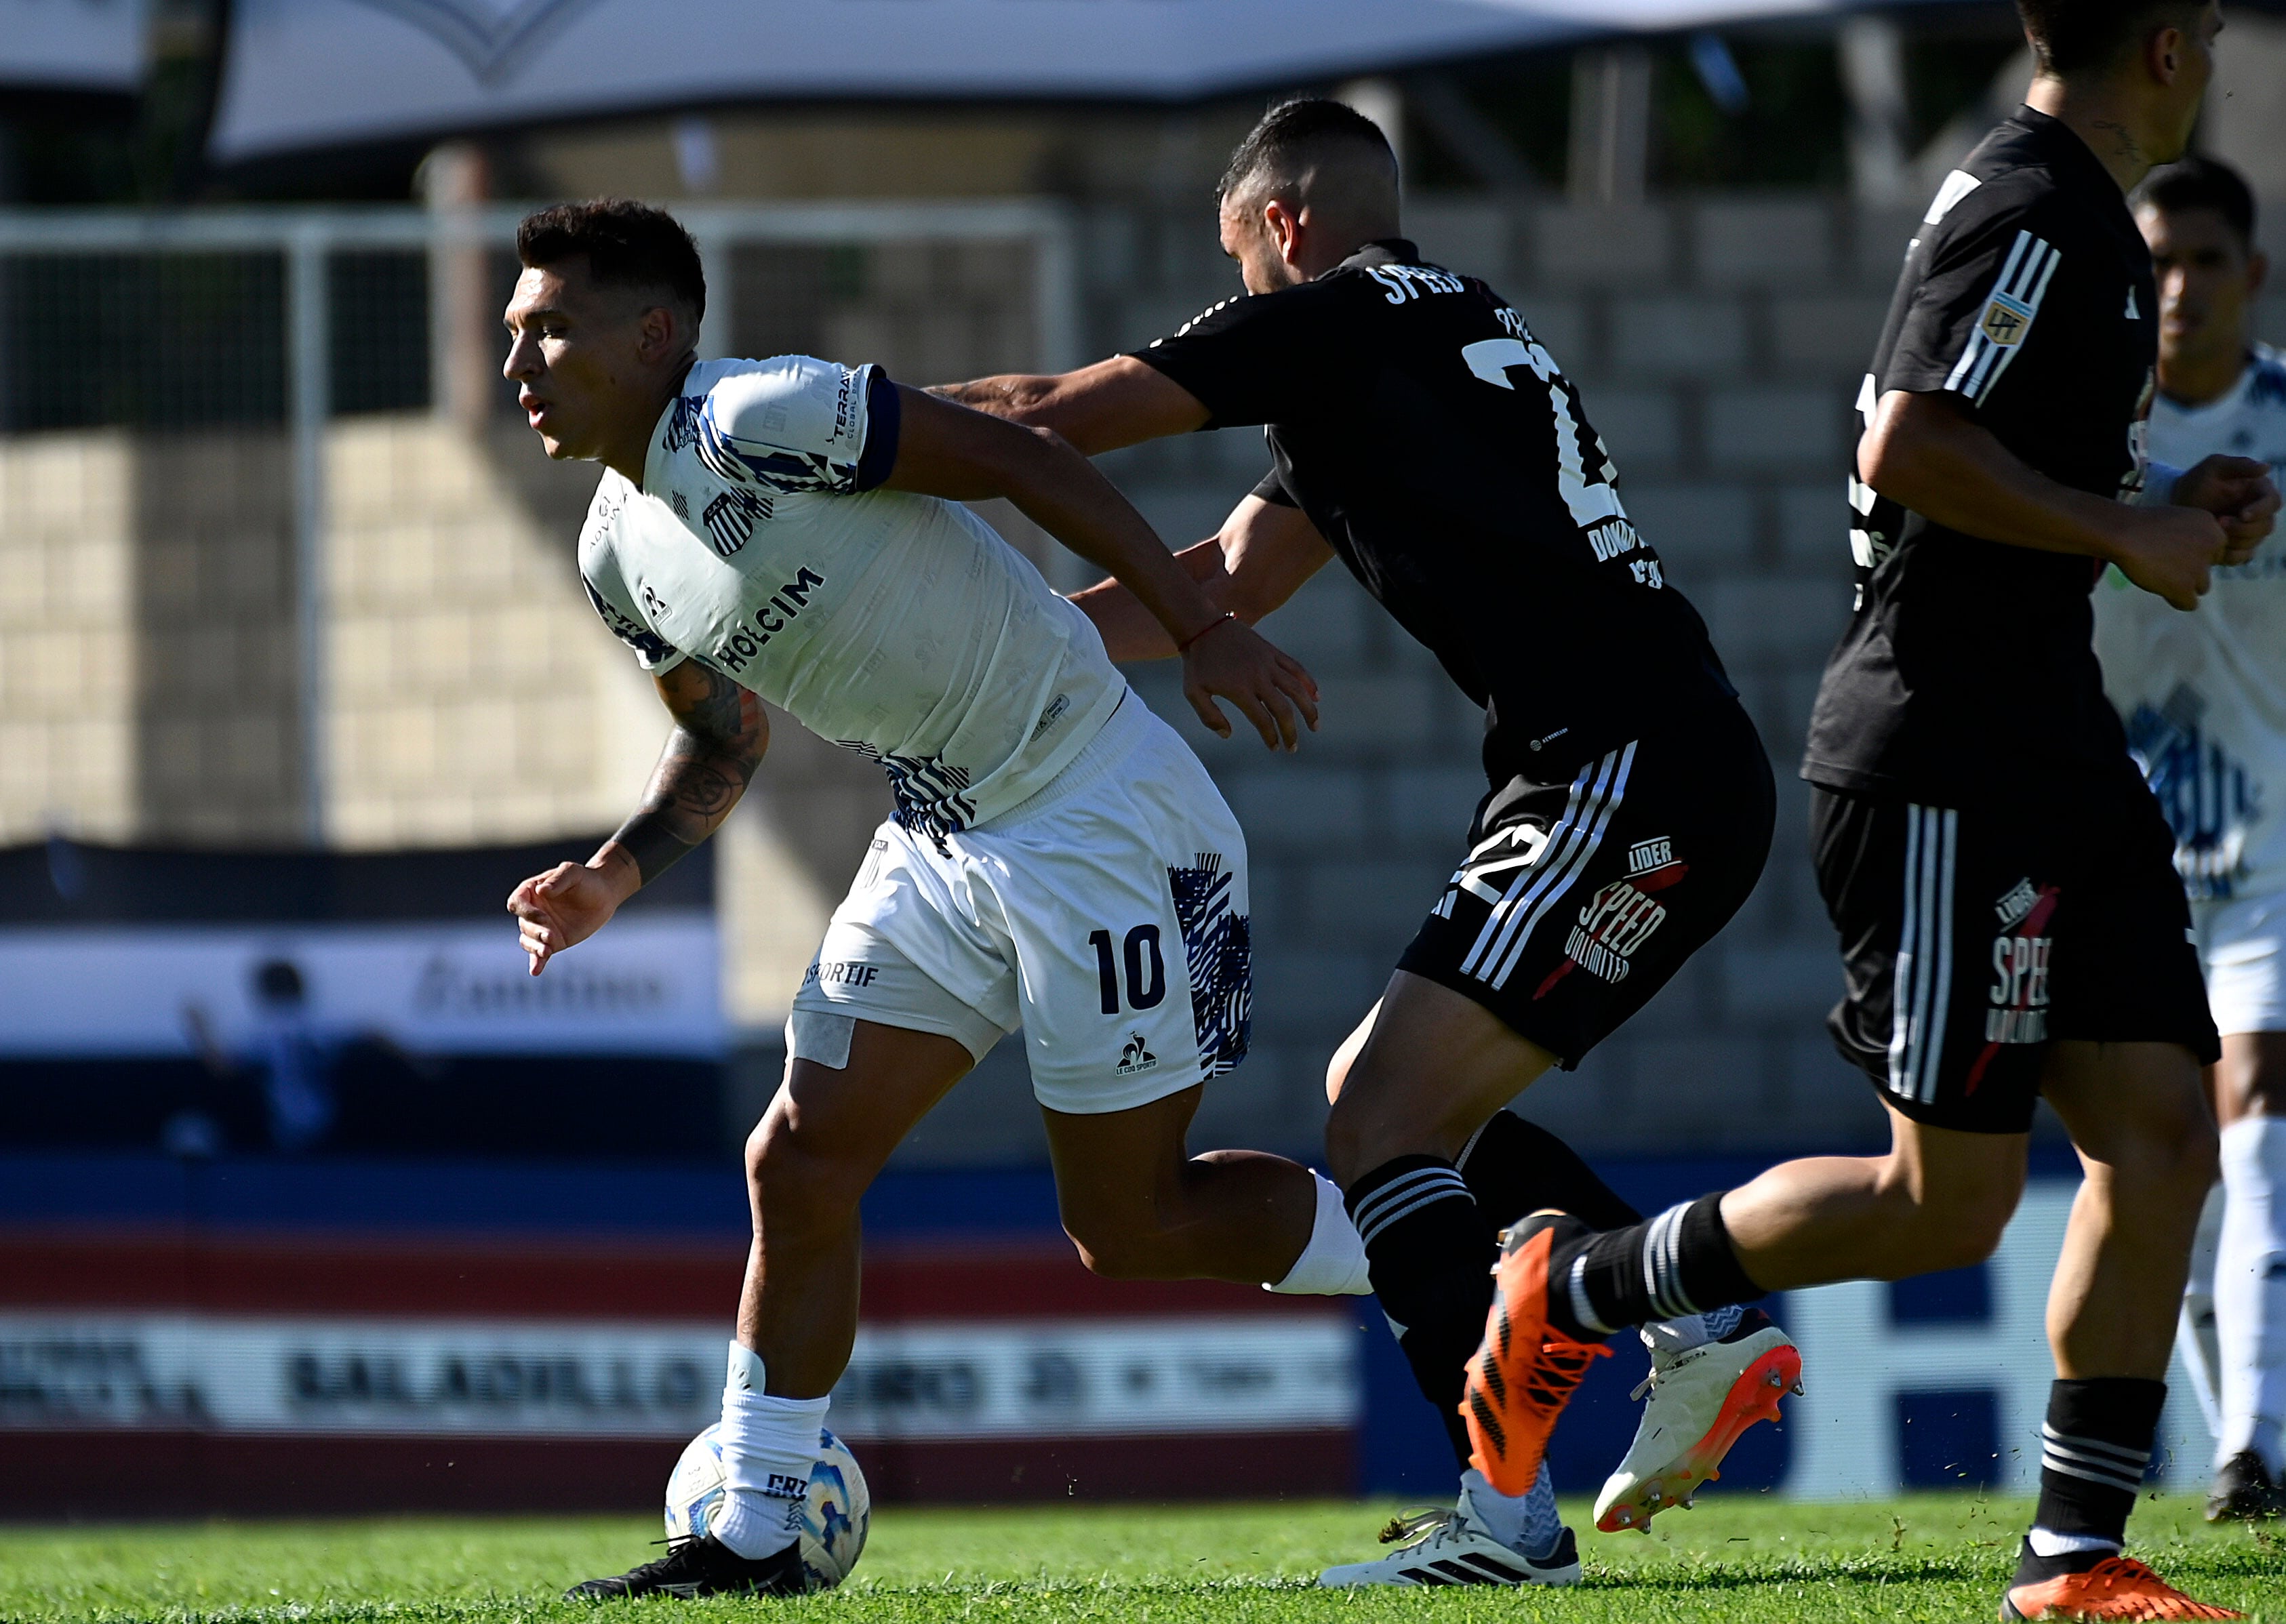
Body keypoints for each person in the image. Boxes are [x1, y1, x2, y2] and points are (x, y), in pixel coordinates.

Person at [1448, 5, 2279, 1619]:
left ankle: (2074, 1558)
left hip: (2053, 746)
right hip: (1949, 754)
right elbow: (1909, 445)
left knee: (2165, 1139)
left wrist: (2158, 513)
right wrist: (2126, 527)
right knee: (1941, 1204)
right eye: (2213, 36)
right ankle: (1577, 1285)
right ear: (2169, 48)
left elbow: (1991, 471)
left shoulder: (2080, 217)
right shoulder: (2035, 199)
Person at [938, 98, 1799, 1586]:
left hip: (1620, 770)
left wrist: (824, 421)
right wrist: (1001, 673)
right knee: (1414, 1116)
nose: (1244, 295)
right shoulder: (1437, 338)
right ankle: (1700, 1328)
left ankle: (1511, 1517)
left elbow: (1040, 417)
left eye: (1240, 261)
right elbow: (1224, 582)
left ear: (1280, 227)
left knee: (1379, 1116)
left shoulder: (1335, 319)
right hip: (1647, 763)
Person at [494, 199, 1373, 1600]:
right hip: (942, 833)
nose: (519, 362)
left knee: (1130, 1228)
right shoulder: (612, 554)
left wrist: (1203, 626)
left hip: (1095, 808)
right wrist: (615, 870)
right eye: (510, 333)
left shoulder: (759, 412)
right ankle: (756, 1529)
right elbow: (727, 741)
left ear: (655, 334)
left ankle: (1466, 1260)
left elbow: (1021, 456)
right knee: (799, 1158)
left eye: (551, 327)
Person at [2092, 153, 2286, 1523]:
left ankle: (2252, 1452)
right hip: (2122, 852)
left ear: (2251, 277)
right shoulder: (2079, 445)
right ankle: (2241, 1446)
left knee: (2260, 1113)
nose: (2177, 289)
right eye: (2154, 262)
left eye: (2204, 260)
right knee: (2173, 1155)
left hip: (2276, 843)